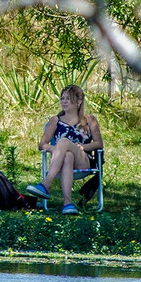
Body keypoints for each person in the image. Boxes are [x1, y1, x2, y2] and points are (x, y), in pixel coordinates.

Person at [26, 85, 103, 215]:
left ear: (79, 101)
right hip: (60, 162)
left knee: (64, 142)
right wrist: (55, 148)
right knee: (67, 155)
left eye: (68, 98)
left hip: (83, 160)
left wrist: (82, 147)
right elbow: (42, 144)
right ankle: (67, 204)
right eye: (62, 98)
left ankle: (46, 185)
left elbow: (99, 144)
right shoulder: (55, 120)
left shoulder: (89, 120)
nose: (64, 101)